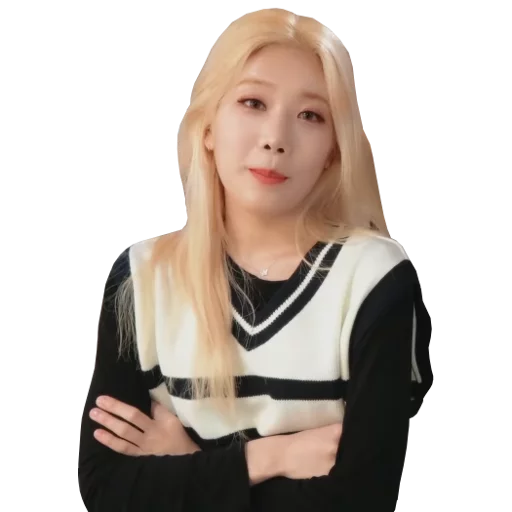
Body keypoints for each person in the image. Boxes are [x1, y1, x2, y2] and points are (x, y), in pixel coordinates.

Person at [78, 7, 433, 511]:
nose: (275, 139)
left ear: (333, 150)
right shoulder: (144, 276)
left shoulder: (374, 280)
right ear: (207, 127)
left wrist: (186, 462)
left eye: (310, 115)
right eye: (252, 102)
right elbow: (105, 489)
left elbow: (361, 499)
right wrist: (271, 457)